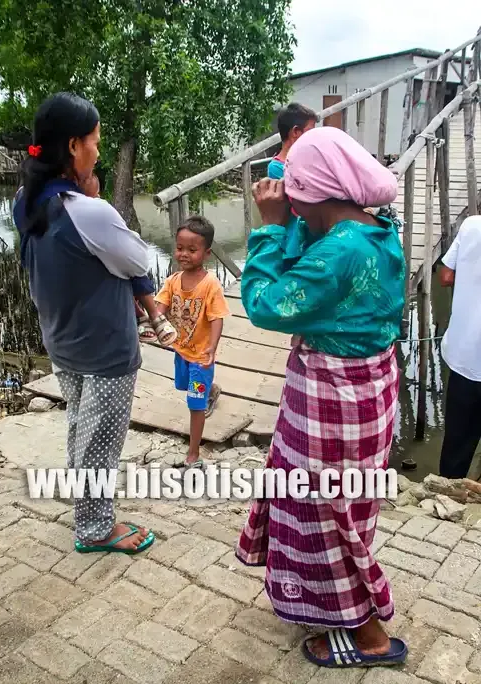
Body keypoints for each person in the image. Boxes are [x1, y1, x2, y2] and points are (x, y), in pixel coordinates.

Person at [235, 126, 408, 669]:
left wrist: (268, 229)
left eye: (297, 192)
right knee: (345, 505)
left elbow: (266, 302)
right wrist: (291, 221)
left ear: (315, 194)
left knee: (325, 513)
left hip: (332, 399)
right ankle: (329, 604)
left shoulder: (339, 254)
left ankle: (369, 634)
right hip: (368, 389)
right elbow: (312, 251)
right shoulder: (377, 230)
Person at [13, 92, 155, 554]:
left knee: (79, 422)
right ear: (74, 147)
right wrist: (93, 202)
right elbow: (139, 258)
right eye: (94, 140)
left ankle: (85, 499)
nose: (98, 149)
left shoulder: (24, 200)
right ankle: (95, 527)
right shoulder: (89, 212)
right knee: (101, 438)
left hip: (62, 342)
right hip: (105, 350)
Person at [155, 216, 230, 467]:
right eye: (179, 248)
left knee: (194, 404)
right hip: (182, 351)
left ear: (206, 253)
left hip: (201, 357)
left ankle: (193, 453)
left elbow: (218, 317)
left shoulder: (211, 286)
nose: (183, 254)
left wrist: (212, 346)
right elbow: (159, 308)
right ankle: (211, 389)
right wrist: (148, 320)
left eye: (192, 250)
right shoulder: (173, 281)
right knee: (184, 387)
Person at [80, 174, 177, 346]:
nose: (97, 199)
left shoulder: (102, 212)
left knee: (134, 271)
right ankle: (140, 314)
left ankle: (153, 314)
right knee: (117, 275)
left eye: (97, 196)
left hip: (116, 258)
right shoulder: (78, 214)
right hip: (101, 266)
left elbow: (122, 240)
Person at [439, 215, 481, 479]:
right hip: (465, 357)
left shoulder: (472, 225)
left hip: (465, 356)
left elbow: (445, 275)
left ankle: (447, 496)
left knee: (457, 441)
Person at [268, 103, 317, 263]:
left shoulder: (309, 162)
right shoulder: (276, 168)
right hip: (294, 245)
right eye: (311, 131)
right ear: (295, 132)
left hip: (312, 241)